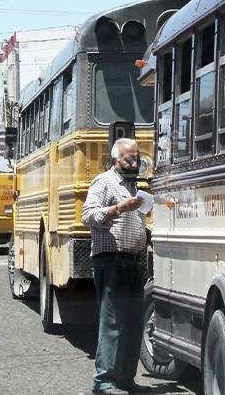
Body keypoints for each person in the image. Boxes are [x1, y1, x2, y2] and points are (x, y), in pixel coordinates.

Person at [81, 137, 151, 395]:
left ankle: (125, 380)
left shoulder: (134, 188)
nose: (134, 164)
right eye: (129, 159)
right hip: (111, 261)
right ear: (114, 160)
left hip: (132, 262)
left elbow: (134, 223)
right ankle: (103, 382)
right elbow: (87, 215)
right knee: (112, 323)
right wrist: (119, 208)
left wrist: (147, 234)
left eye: (137, 159)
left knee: (133, 324)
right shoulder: (104, 182)